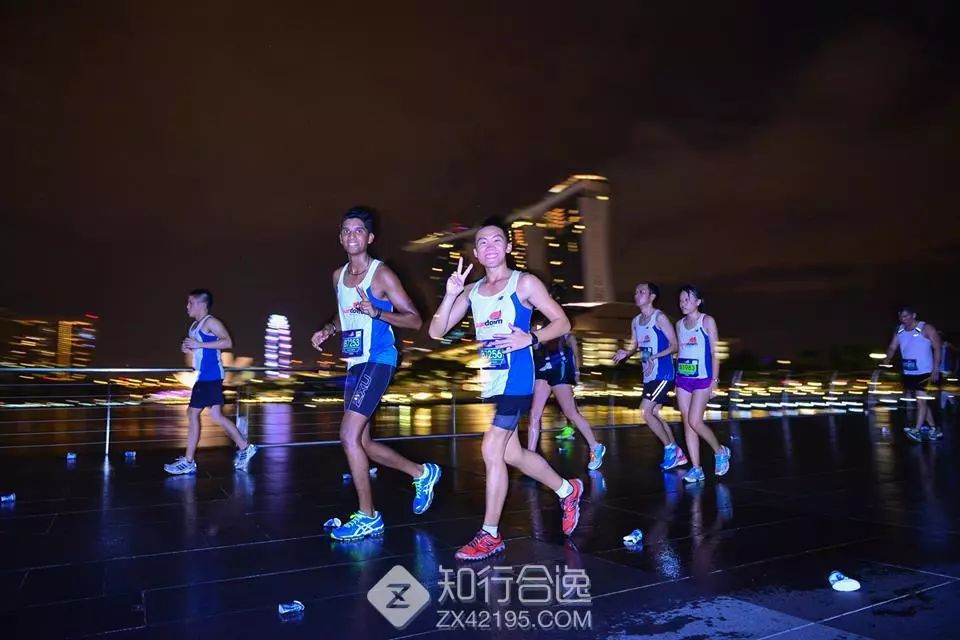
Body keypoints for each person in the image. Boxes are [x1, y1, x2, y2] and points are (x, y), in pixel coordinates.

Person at [429, 218, 584, 560]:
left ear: (509, 247)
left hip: (518, 375)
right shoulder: (472, 291)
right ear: (476, 252)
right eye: (482, 242)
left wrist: (531, 338)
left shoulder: (524, 283)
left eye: (497, 240)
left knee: (491, 447)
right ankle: (567, 489)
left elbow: (562, 322)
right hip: (493, 377)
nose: (490, 247)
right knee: (511, 454)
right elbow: (436, 332)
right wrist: (450, 295)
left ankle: (490, 534)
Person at [312, 206, 441, 541]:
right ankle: (421, 473)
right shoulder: (338, 276)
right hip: (355, 363)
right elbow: (343, 314)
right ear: (340, 238)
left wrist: (378, 313)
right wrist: (329, 329)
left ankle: (368, 517)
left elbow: (414, 318)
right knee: (363, 442)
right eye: (346, 230)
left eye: (358, 230)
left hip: (379, 358)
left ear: (369, 238)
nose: (351, 235)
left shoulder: (381, 275)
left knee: (347, 436)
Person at [164, 289, 257, 475]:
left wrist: (199, 344)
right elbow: (199, 350)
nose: (187, 306)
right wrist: (188, 348)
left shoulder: (211, 322)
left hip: (211, 376)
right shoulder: (194, 326)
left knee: (192, 413)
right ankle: (245, 447)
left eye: (190, 303)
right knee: (216, 416)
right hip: (204, 376)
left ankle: (189, 461)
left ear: (201, 304)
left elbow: (227, 342)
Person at [613, 282, 687, 470]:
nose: (636, 295)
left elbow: (675, 345)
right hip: (649, 374)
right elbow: (634, 345)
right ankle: (677, 453)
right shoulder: (636, 321)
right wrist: (626, 352)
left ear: (652, 297)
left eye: (641, 292)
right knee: (654, 413)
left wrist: (654, 357)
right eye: (636, 292)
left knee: (645, 411)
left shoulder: (659, 318)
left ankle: (670, 448)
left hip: (663, 373)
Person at [526, 312, 606, 470]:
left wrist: (576, 372)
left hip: (560, 371)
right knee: (534, 414)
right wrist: (533, 336)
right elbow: (536, 347)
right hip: (543, 369)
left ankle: (595, 446)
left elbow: (575, 351)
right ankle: (530, 456)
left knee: (571, 412)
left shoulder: (565, 331)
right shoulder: (543, 329)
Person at [674, 285, 730, 483]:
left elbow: (715, 353)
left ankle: (720, 451)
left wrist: (715, 381)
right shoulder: (679, 324)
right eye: (681, 300)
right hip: (683, 379)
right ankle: (696, 468)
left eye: (687, 300)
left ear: (698, 302)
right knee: (687, 423)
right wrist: (676, 379)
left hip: (703, 378)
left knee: (695, 421)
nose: (682, 304)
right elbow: (680, 352)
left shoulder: (707, 321)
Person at [883, 306, 942, 441]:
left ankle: (916, 430)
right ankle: (934, 429)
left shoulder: (926, 328)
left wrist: (936, 368)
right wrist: (887, 358)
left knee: (921, 401)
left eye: (906, 316)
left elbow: (938, 348)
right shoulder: (900, 330)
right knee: (921, 402)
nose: (903, 319)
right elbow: (892, 346)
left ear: (914, 315)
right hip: (909, 372)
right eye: (901, 317)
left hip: (925, 372)